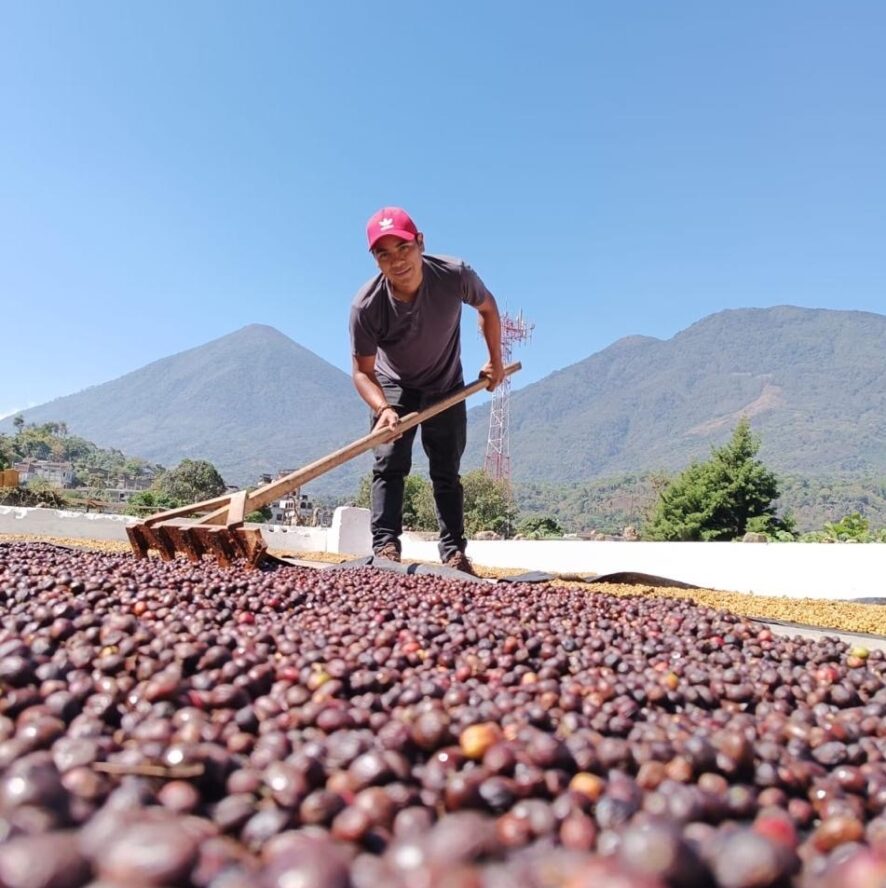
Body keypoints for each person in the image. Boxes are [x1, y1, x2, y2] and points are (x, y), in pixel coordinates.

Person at [349, 206, 504, 574]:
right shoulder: (366, 306)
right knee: (389, 464)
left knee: (446, 470)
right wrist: (384, 409)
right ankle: (385, 547)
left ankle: (454, 552)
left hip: (444, 382)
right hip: (393, 386)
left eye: (403, 248)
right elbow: (362, 372)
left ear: (420, 243)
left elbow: (488, 307)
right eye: (383, 254)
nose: (396, 260)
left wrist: (494, 361)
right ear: (375, 260)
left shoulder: (454, 275)